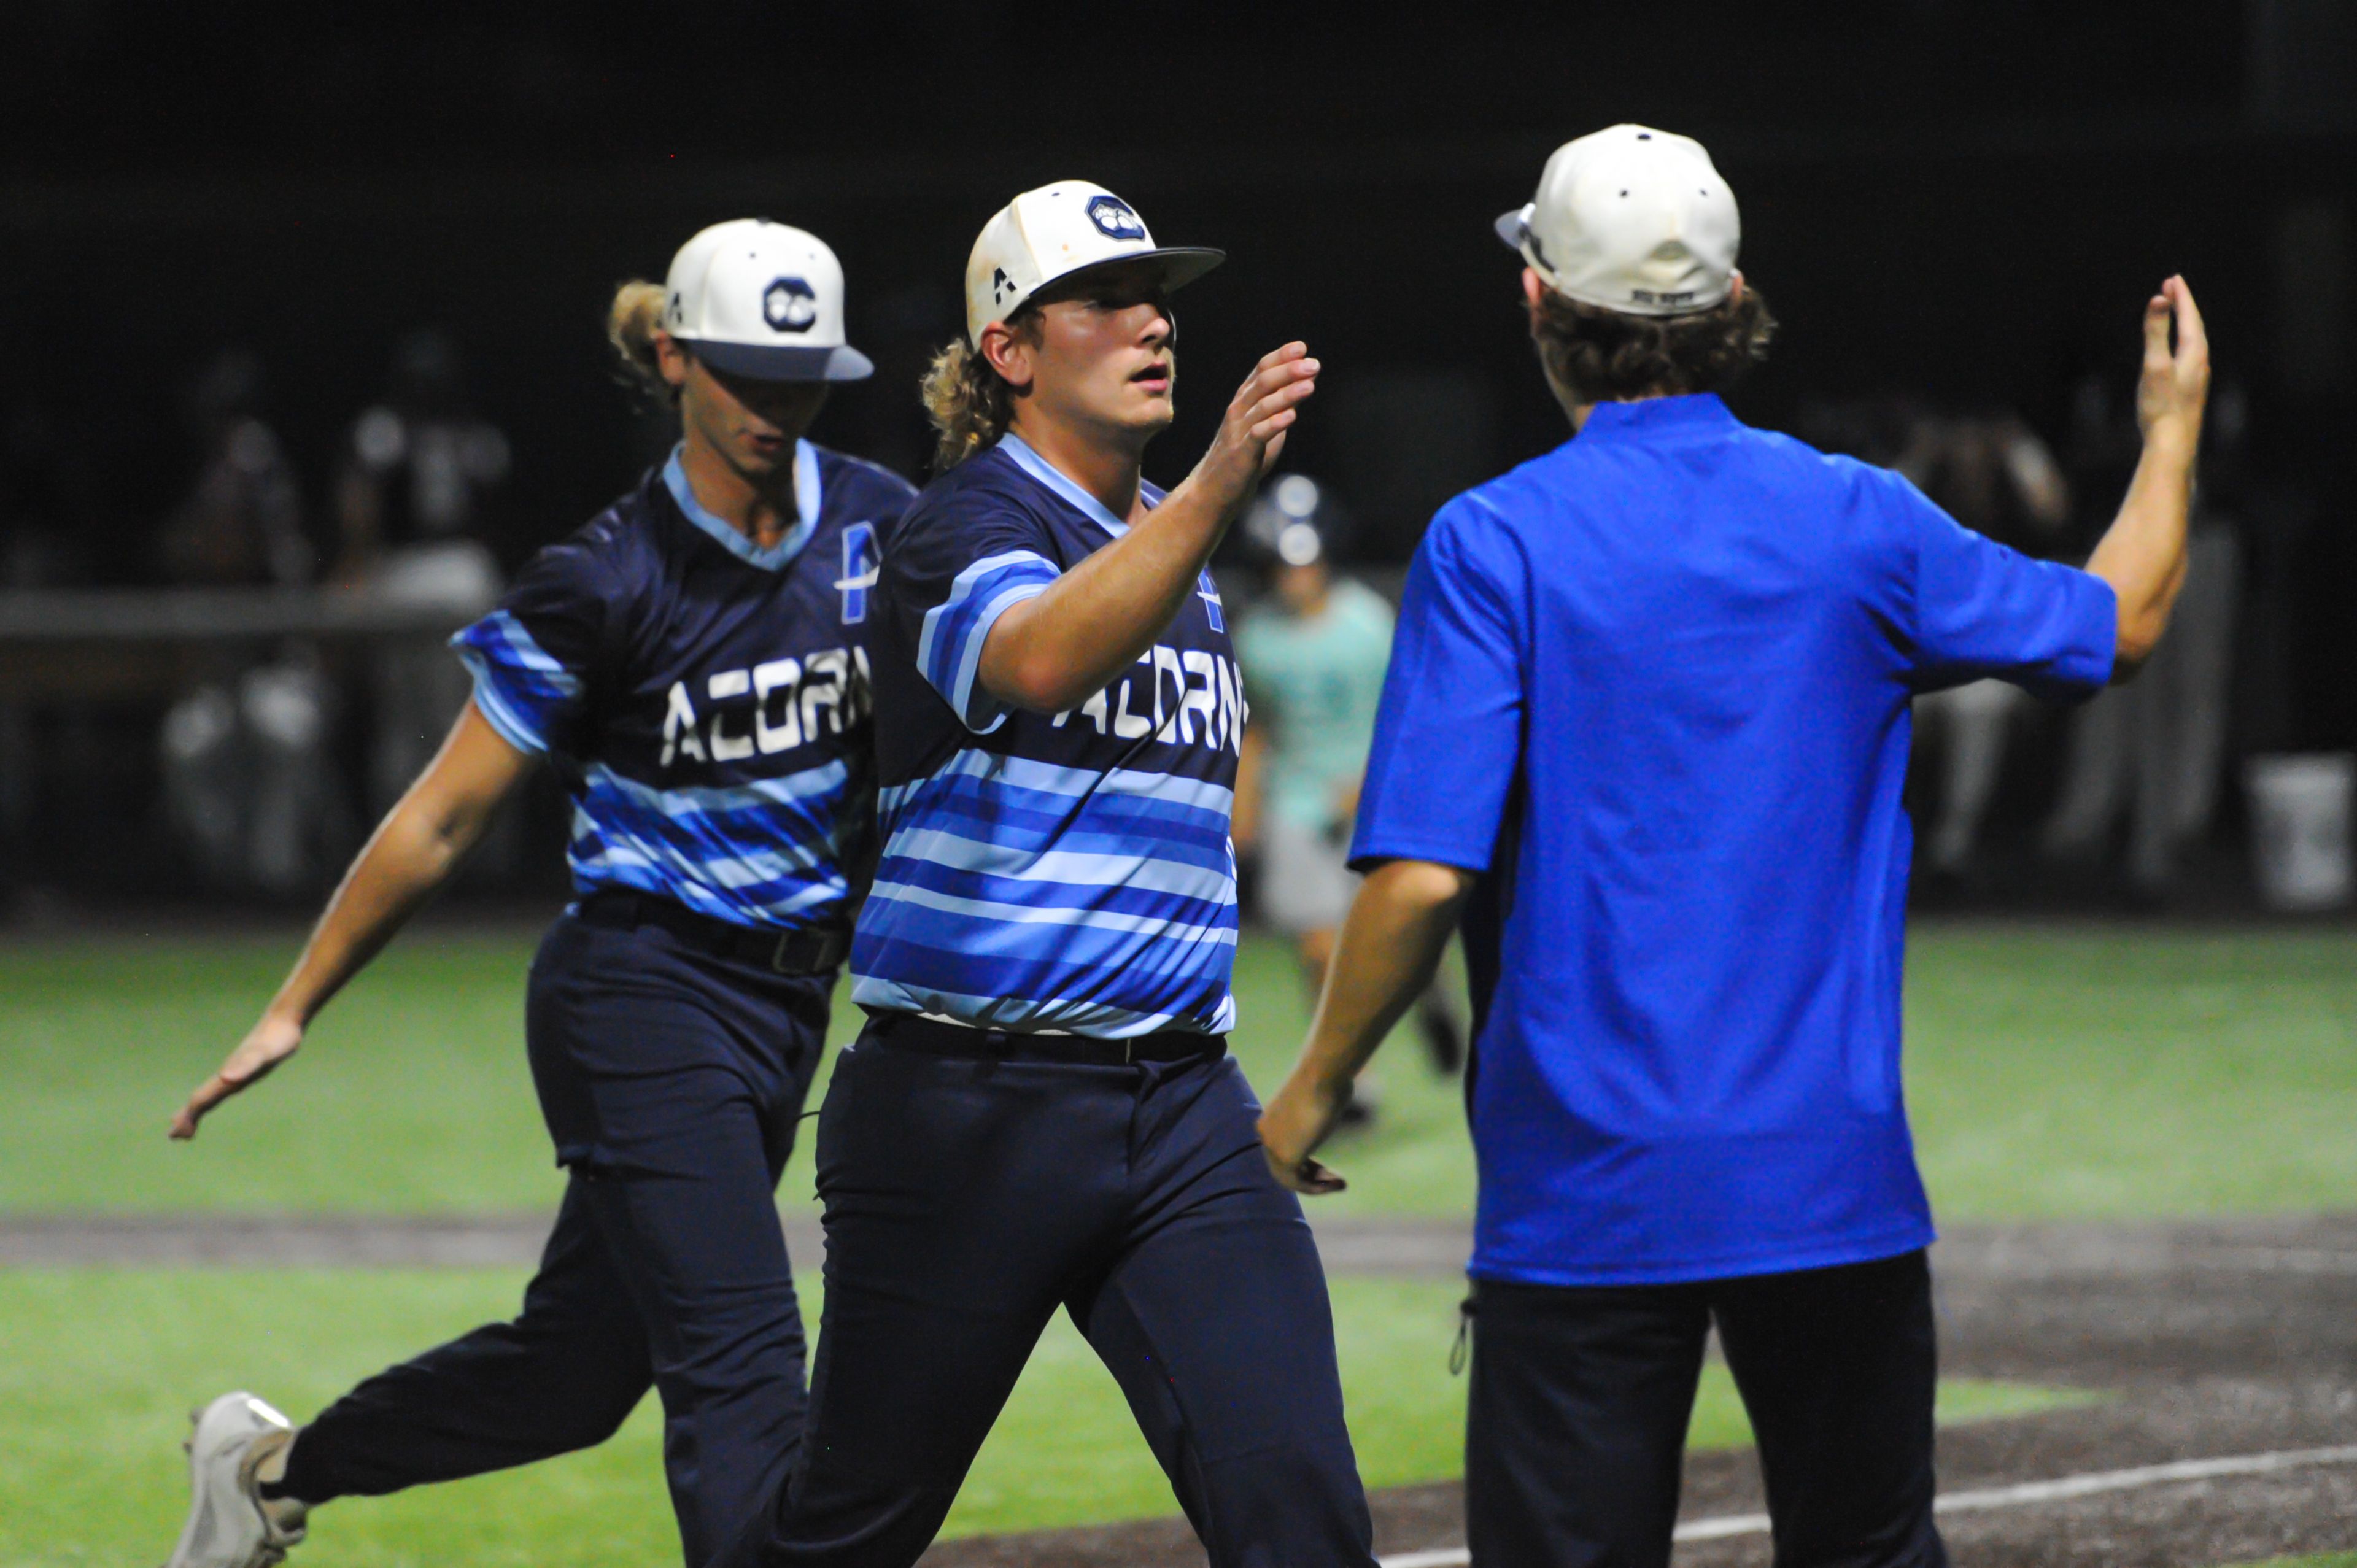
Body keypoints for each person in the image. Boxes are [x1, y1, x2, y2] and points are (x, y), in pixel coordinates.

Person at [1258, 123, 2208, 1568]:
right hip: (1824, 1181)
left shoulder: (1490, 542)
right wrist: (2170, 428)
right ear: (1730, 298)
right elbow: (2119, 621)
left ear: (1537, 302)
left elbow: (1422, 875)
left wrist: (1313, 1090)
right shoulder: (1853, 519)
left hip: (1583, 1196)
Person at [158, 218, 917, 1568]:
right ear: (675, 356)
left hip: (788, 1005)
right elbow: (444, 811)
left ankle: (269, 1468)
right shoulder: (607, 575)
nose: (776, 404)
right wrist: (293, 1005)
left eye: (803, 373)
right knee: (744, 1359)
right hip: (641, 990)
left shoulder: (877, 523)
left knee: (576, 1372)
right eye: (746, 369)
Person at [712, 181, 1376, 1568]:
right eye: (1103, 301)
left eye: (1161, 302)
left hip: (1185, 1112)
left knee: (1299, 1515)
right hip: (969, 1109)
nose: (1151, 325)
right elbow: (1033, 660)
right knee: (844, 1537)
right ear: (1008, 352)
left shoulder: (1174, 557)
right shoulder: (961, 528)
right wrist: (1207, 488)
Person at [1233, 473, 1463, 1086]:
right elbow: (1261, 727)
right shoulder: (1255, 637)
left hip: (1373, 798)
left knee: (1400, 933)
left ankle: (1431, 994)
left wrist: (1374, 778)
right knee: (1318, 944)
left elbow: (1406, 710)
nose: (1297, 576)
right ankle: (1350, 1083)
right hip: (1298, 799)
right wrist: (1246, 806)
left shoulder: (1366, 623)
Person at [331, 328, 514, 819]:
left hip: (404, 575)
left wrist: (352, 575)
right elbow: (497, 521)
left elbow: (359, 512)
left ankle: (402, 841)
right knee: (470, 717)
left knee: (404, 720)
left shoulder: (381, 430)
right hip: (467, 574)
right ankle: (482, 851)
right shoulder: (478, 435)